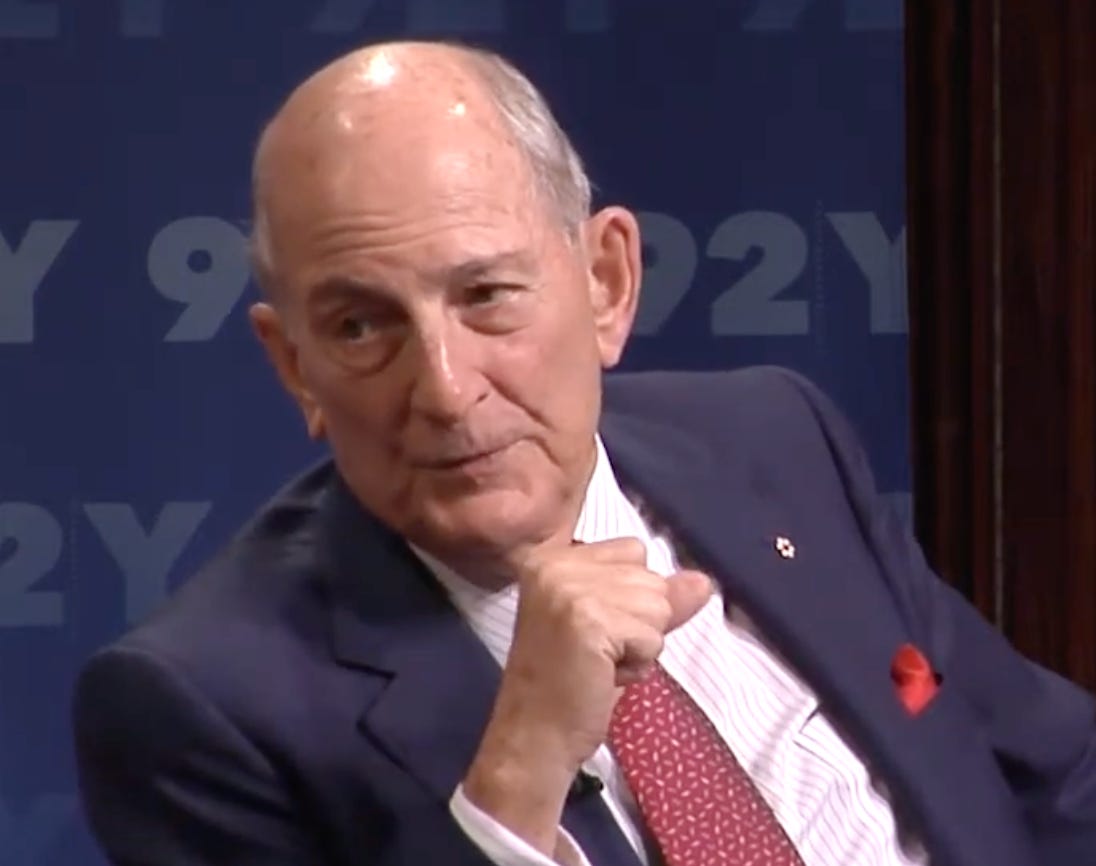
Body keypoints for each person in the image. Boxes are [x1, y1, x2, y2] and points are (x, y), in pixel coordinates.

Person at [71, 40, 1096, 866]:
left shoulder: (773, 440)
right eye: (360, 327)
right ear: (296, 366)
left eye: (486, 296)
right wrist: (517, 776)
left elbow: (1054, 772)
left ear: (606, 282)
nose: (446, 389)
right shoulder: (202, 707)